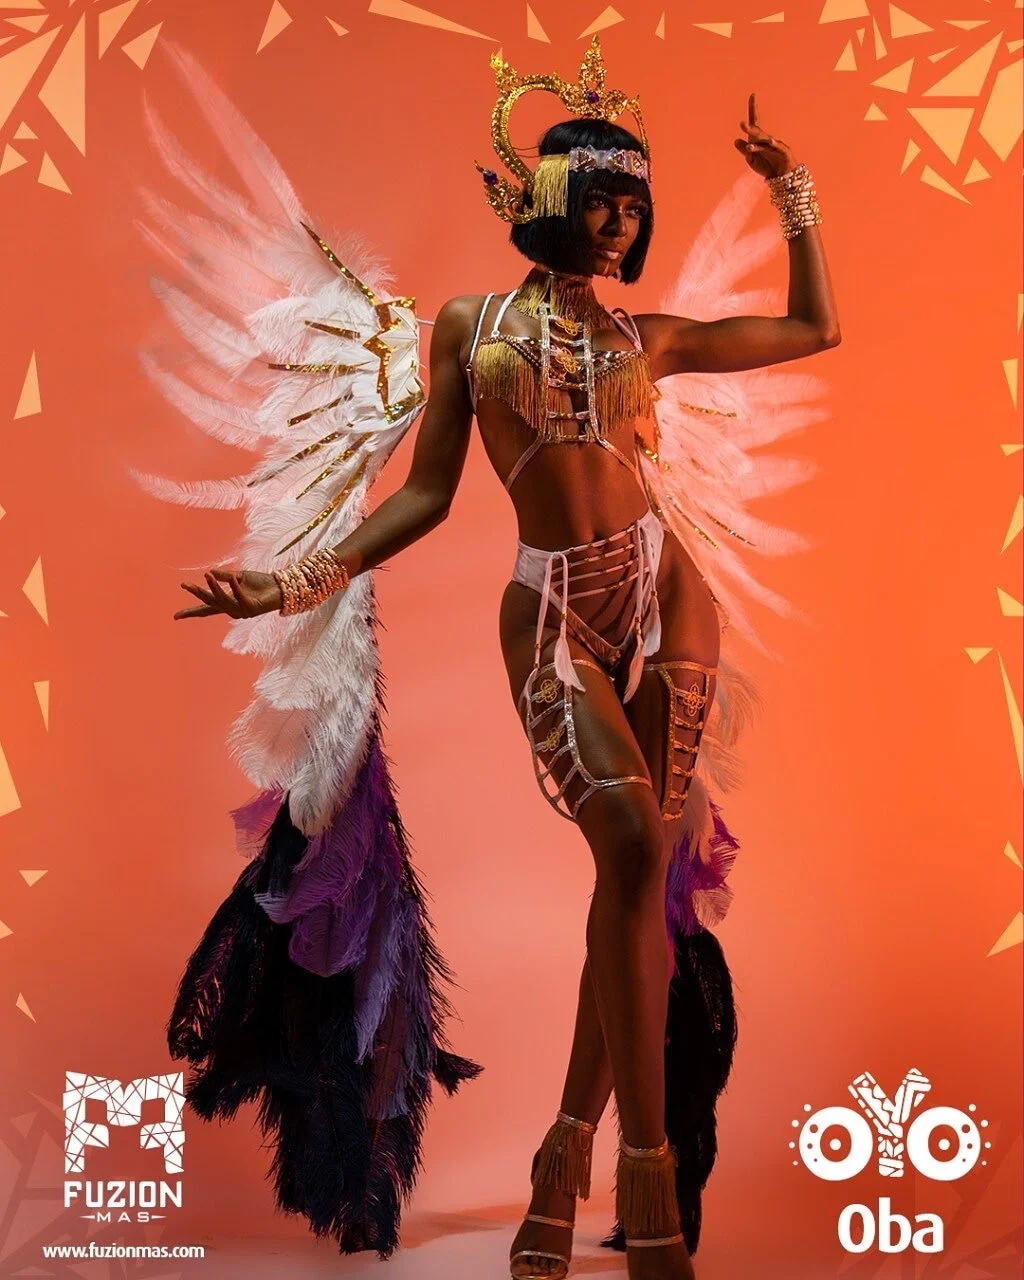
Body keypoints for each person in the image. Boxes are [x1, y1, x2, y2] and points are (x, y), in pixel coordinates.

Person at [142, 37, 838, 1280]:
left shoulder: (646, 338)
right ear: (555, 201)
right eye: (606, 201)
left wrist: (792, 193)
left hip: (667, 594)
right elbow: (426, 498)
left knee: (637, 880)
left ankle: (577, 1164)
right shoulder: (472, 329)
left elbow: (812, 326)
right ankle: (617, 1163)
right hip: (554, 612)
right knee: (629, 850)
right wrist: (296, 578)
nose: (624, 224)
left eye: (637, 207)